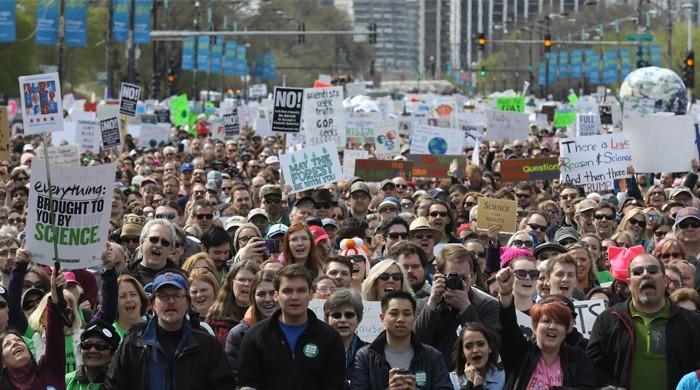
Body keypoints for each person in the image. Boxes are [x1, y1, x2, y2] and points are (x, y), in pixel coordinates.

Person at [587, 253, 700, 389]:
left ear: (665, 280)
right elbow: (592, 366)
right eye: (638, 272)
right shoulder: (608, 320)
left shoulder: (692, 322)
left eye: (652, 270)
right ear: (629, 283)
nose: (645, 275)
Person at [105, 271, 235, 389]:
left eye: (177, 295)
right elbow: (114, 384)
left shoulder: (207, 345)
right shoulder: (135, 342)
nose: (171, 301)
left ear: (188, 303)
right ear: (153, 304)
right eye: (164, 296)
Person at [238, 264, 346, 390]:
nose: (294, 297)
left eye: (301, 290)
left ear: (311, 294)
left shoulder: (330, 337)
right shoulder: (255, 336)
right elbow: (247, 383)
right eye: (287, 291)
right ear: (276, 295)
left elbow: (335, 384)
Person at [495, 267, 598, 389]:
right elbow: (508, 326)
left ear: (566, 329)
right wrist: (506, 293)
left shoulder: (578, 359)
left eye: (559, 322)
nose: (552, 327)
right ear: (535, 325)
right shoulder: (521, 353)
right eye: (546, 321)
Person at [415, 244, 500, 367]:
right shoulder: (424, 305)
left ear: (472, 276)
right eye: (453, 277)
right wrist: (432, 303)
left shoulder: (488, 306)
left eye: (464, 278)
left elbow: (491, 349)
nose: (458, 283)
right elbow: (415, 342)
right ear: (439, 274)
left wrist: (466, 308)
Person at [350, 291, 453, 390]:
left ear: (414, 318)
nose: (400, 319)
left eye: (407, 314)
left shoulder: (433, 356)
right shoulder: (365, 356)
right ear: (382, 318)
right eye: (394, 314)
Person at [0, 267, 65, 390]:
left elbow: (55, 336)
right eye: (7, 345)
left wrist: (55, 298)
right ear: (2, 362)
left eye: (19, 341)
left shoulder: (50, 369)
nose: (15, 343)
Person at [225, 270, 278, 384]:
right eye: (261, 294)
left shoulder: (294, 329)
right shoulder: (238, 334)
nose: (268, 299)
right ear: (253, 297)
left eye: (272, 293)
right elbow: (234, 378)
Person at [206, 260, 260, 345]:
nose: (246, 284)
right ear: (231, 283)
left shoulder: (264, 314)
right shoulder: (215, 315)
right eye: (241, 280)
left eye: (251, 280)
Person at [323, 289, 367, 389]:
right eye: (336, 315)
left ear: (358, 318)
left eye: (349, 315)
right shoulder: (318, 350)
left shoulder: (371, 353)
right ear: (327, 319)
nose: (343, 320)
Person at [125, 218, 180, 287]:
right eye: (154, 239)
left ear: (171, 249)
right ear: (142, 242)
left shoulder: (180, 277)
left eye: (165, 242)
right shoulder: (125, 275)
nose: (159, 245)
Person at [65, 321, 121, 390]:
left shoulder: (119, 385)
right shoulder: (67, 381)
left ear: (112, 354)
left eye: (100, 346)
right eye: (87, 345)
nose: (93, 350)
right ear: (80, 350)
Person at [449, 322, 505, 390]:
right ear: (462, 352)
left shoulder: (503, 378)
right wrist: (470, 383)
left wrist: (478, 386)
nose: (475, 350)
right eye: (468, 346)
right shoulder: (451, 380)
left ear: (490, 348)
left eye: (480, 344)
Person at [114, 275, 147, 340]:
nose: (129, 300)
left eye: (133, 294)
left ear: (141, 299)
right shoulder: (109, 332)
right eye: (122, 296)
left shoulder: (154, 329)